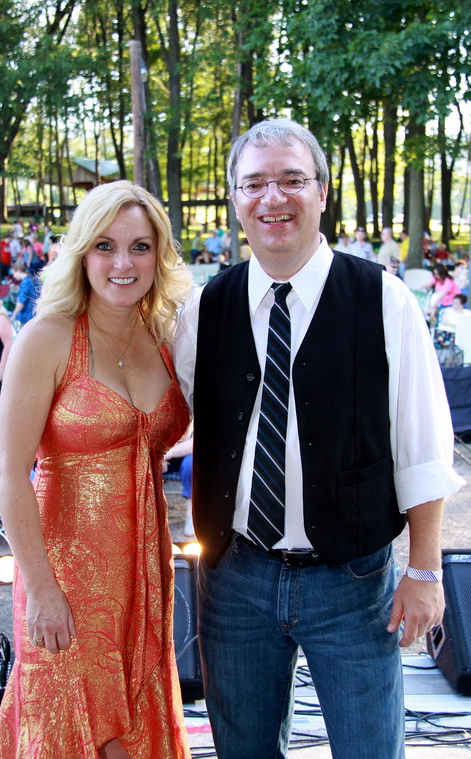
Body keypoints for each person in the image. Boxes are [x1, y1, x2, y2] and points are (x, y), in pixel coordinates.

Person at [174, 118, 465, 759]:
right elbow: (171, 416)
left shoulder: (384, 300)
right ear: (235, 200)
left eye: (291, 180)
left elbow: (423, 447)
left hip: (352, 580)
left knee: (369, 749)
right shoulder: (205, 308)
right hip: (234, 577)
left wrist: (424, 570)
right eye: (254, 184)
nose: (272, 198)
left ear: (323, 192)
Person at [0, 180, 193, 758]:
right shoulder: (47, 339)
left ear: (159, 255)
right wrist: (41, 589)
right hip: (65, 574)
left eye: (140, 246)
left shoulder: (167, 338)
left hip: (145, 570)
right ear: (81, 253)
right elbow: (10, 472)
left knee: (137, 724)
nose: (123, 263)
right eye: (105, 246)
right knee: (77, 731)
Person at [163, 426, 194, 537]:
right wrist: (157, 457)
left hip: (186, 454)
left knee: (191, 465)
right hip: (162, 455)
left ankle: (191, 514)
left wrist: (167, 454)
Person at [9, 262, 39, 326]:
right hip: (35, 313)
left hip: (27, 316)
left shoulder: (25, 283)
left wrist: (14, 315)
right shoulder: (32, 278)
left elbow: (21, 302)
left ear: (18, 271)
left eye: (14, 273)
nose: (13, 276)